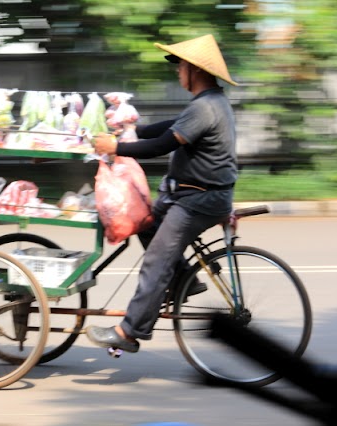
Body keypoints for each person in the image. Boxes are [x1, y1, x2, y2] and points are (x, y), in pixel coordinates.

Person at [86, 34, 239, 353]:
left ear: (194, 69)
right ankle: (185, 280)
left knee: (156, 259)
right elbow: (169, 128)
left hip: (199, 200)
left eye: (180, 66)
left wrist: (117, 147)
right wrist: (133, 130)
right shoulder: (208, 103)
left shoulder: (205, 107)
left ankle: (129, 331)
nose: (177, 72)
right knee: (146, 221)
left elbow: (162, 146)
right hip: (198, 195)